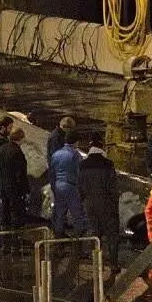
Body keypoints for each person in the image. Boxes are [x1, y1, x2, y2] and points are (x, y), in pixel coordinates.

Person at [78, 134, 121, 271]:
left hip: (90, 203)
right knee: (112, 234)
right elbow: (113, 187)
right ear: (102, 147)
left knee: (94, 232)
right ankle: (113, 264)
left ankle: (96, 263)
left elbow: (80, 185)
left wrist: (84, 200)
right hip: (106, 203)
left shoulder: (83, 165)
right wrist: (114, 204)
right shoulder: (108, 164)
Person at [50, 129, 88, 237]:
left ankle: (58, 234)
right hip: (71, 186)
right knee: (77, 213)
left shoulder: (56, 154)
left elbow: (52, 172)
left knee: (60, 212)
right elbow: (79, 173)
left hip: (58, 185)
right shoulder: (75, 155)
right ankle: (79, 236)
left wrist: (54, 185)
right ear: (76, 142)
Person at [0, 127, 29, 230]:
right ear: (20, 138)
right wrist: (25, 189)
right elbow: (20, 172)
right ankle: (16, 232)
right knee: (16, 210)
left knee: (5, 208)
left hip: (3, 183)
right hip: (14, 186)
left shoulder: (2, 148)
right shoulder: (17, 152)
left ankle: (5, 230)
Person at [46, 116, 76, 188]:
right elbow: (56, 156)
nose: (71, 131)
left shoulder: (60, 134)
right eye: (71, 129)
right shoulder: (56, 137)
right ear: (65, 127)